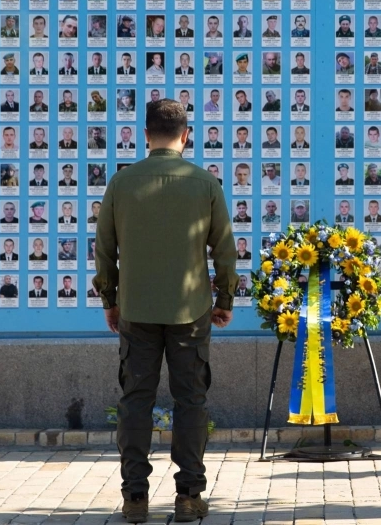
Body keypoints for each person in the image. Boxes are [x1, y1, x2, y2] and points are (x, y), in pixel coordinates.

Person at [95, 100, 237, 524]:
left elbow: (105, 250)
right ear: (186, 135)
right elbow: (225, 250)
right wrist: (225, 300)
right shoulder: (204, 183)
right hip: (190, 310)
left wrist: (110, 299)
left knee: (135, 400)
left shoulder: (122, 183)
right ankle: (189, 495)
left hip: (136, 309)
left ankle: (135, 498)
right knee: (191, 400)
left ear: (145, 134)